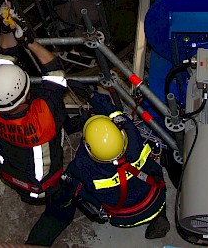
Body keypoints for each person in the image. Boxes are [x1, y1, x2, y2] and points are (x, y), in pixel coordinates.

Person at [0, 2, 77, 246]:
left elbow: (5, 60)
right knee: (65, 204)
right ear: (25, 96)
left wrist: (6, 29)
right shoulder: (43, 118)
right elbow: (55, 72)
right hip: (43, 185)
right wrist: (29, 40)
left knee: (54, 106)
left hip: (11, 174)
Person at [66, 89, 171, 239]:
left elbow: (74, 169)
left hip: (124, 218)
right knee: (151, 169)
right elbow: (117, 115)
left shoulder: (84, 165)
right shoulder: (132, 137)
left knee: (74, 182)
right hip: (156, 198)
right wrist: (92, 96)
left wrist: (84, 123)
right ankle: (160, 216)